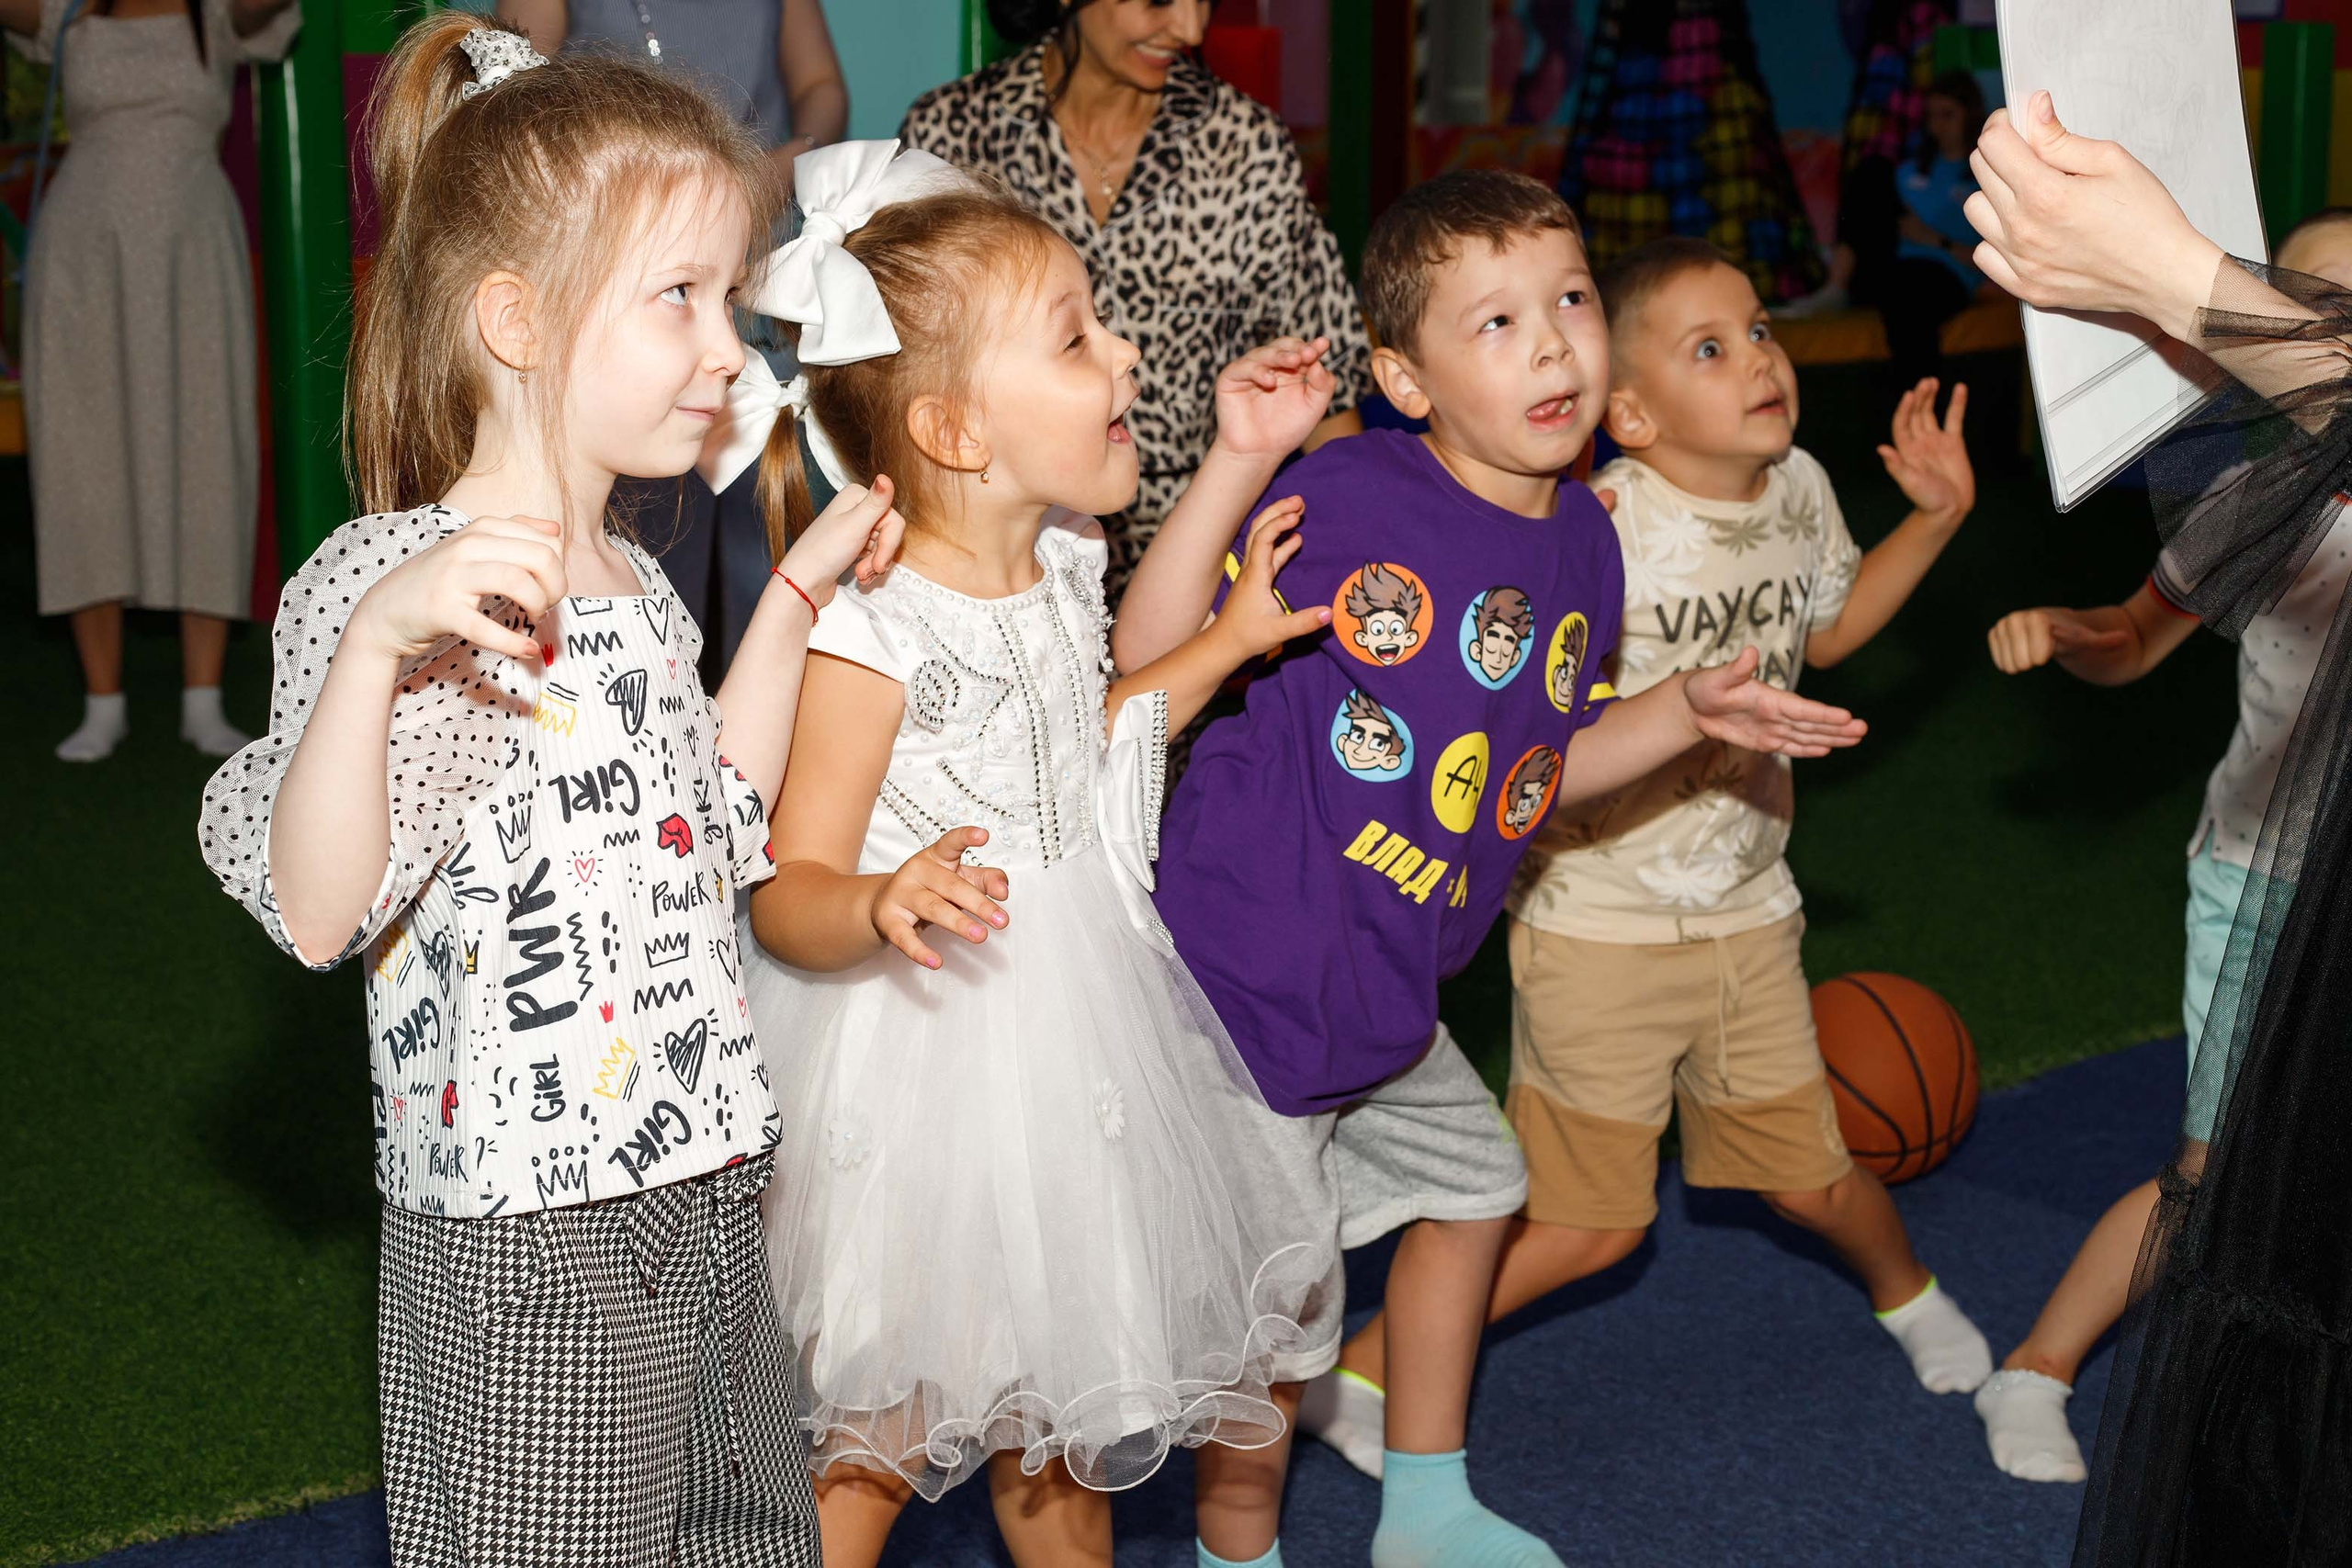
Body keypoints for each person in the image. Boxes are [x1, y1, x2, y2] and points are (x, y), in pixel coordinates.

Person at [195, 19, 903, 1562]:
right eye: (679, 299)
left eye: (730, 295)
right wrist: (385, 646)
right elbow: (321, 908)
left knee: (744, 1536)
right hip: (533, 1229)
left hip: (705, 1178)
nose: (728, 348)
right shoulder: (392, 581)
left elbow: (707, 834)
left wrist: (783, 605)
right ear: (516, 318)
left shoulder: (641, 583)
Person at [1126, 169, 1870, 1568]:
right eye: (1498, 321)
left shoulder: (1587, 538)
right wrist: (1235, 461)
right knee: (1272, 1313)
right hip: (1249, 973)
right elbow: (1146, 653)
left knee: (1475, 1185)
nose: (1553, 345)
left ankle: (1425, 1499)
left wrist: (1686, 718)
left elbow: (1539, 768)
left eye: (1572, 302)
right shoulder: (1350, 488)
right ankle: (1237, 1546)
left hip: (1391, 989)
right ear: (1404, 378)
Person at [734, 143, 1344, 1567]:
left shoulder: (1069, 560)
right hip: (925, 1062)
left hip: (1082, 1034)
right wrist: (880, 898)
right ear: (956, 430)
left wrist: (1228, 641)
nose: (1126, 354)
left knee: (1067, 1404)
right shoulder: (871, 633)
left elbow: (1085, 737)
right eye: (1078, 335)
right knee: (875, 1426)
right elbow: (787, 890)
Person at [1301, 234, 1990, 1477]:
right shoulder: (1596, 527)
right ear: (1630, 411)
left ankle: (1910, 1291)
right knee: (1588, 1225)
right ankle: (1362, 1366)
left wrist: (1935, 520)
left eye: (1764, 329)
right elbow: (1519, 714)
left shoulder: (1800, 490)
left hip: (1747, 906)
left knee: (1815, 1175)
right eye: (1710, 348)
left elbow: (1826, 632)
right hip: (1592, 920)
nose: (1761, 360)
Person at [1964, 93, 2352, 1564]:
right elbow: (2136, 639)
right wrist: (2073, 629)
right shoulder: (2257, 499)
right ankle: (2040, 1362)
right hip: (2263, 881)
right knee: (2216, 1178)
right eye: (2309, 295)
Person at [897, 0, 1370, 600]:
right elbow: (906, 381)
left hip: (1201, 555)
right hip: (1004, 556)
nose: (1190, 29)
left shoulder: (1242, 143)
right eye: (1157, 2)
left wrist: (1364, 551)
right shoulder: (954, 134)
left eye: (1204, 1)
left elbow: (1327, 388)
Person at [500, 0, 849, 669]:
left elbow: (822, 87)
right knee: (650, 524)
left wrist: (779, 168)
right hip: (635, 261)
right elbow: (516, 93)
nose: (721, 356)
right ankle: (641, 682)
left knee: (770, 522)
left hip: (766, 249)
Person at [3, 0, 299, 762]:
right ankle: (103, 701)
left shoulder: (224, 10)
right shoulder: (67, 11)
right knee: (81, 457)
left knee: (207, 453)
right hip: (83, 254)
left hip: (193, 247)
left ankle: (202, 700)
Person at [1787, 71, 2002, 395]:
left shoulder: (1982, 178)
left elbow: (1991, 260)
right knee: (1873, 170)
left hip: (1945, 275)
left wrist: (1931, 238)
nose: (1937, 126)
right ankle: (1836, 285)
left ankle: (1922, 407)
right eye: (1931, 116)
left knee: (1907, 302)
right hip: (1889, 265)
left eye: (1948, 115)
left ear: (1969, 115)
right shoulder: (1910, 170)